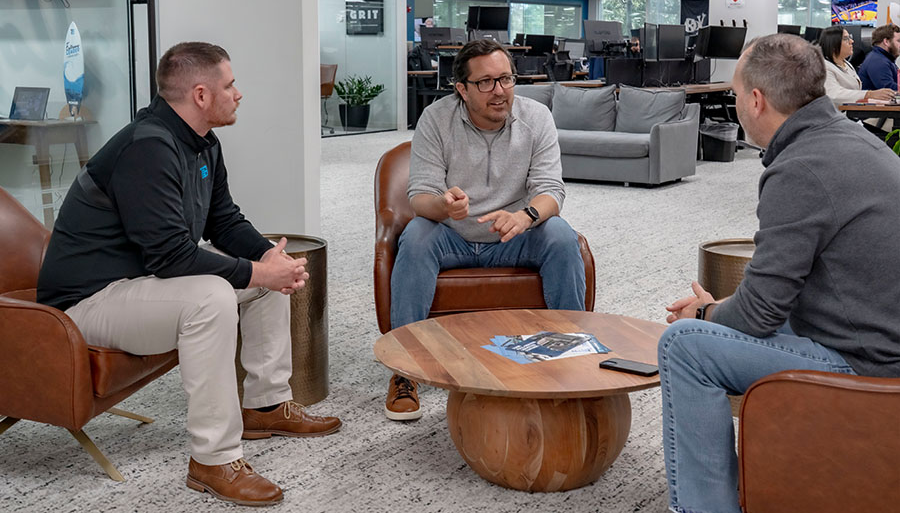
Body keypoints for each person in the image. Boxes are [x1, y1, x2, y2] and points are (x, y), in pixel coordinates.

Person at [37, 42, 341, 507]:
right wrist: (257, 272)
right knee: (213, 296)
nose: (238, 93)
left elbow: (224, 221)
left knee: (264, 285)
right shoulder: (146, 147)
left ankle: (265, 404)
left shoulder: (203, 143)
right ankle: (213, 460)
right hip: (87, 304)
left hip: (140, 287)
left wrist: (269, 259)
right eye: (230, 85)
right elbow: (172, 258)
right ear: (201, 94)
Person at [657, 33, 900, 513]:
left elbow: (759, 316)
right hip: (872, 330)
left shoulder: (802, 168)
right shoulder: (852, 139)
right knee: (717, 323)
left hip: (868, 362)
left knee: (683, 346)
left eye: (734, 93)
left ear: (755, 100)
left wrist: (706, 314)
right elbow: (777, 291)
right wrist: (720, 309)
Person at [385, 38, 586, 420]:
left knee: (561, 235)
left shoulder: (537, 117)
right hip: (452, 235)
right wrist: (444, 206)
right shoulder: (436, 118)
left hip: (514, 235)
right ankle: (404, 369)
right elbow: (420, 196)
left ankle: (571, 356)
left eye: (506, 79)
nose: (500, 91)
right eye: (486, 82)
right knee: (415, 236)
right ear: (462, 89)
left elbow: (551, 190)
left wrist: (526, 215)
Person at [818, 25, 894, 103]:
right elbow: (834, 94)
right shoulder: (824, 67)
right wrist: (869, 94)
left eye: (850, 37)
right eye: (846, 39)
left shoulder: (846, 64)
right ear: (833, 43)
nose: (851, 41)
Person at [858, 23, 900, 92]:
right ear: (886, 42)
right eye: (898, 41)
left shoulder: (884, 58)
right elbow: (889, 89)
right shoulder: (877, 61)